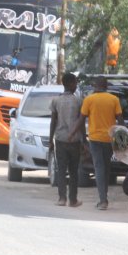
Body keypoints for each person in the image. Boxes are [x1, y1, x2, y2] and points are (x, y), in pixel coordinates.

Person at [70, 76, 123, 210]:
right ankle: (103, 198)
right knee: (106, 167)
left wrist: (74, 134)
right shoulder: (114, 99)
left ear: (95, 85)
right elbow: (121, 120)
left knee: (99, 168)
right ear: (106, 86)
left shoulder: (89, 99)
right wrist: (123, 139)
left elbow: (81, 120)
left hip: (94, 139)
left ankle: (103, 200)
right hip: (109, 139)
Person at [49, 72, 83, 208]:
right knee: (74, 171)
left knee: (61, 169)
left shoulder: (56, 101)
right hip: (75, 140)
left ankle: (62, 198)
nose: (76, 85)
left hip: (60, 139)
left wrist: (50, 139)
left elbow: (53, 121)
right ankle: (73, 200)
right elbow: (81, 122)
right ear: (69, 84)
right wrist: (84, 140)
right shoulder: (78, 101)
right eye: (75, 82)